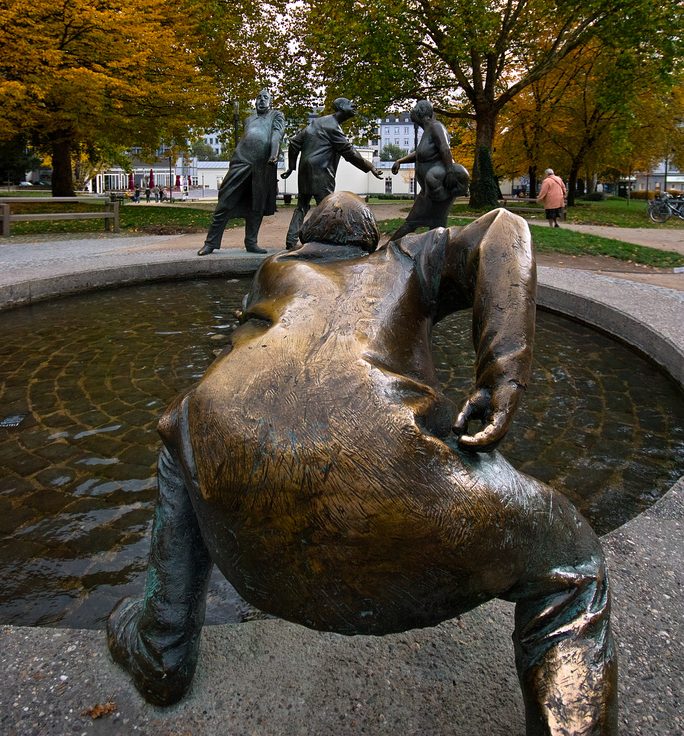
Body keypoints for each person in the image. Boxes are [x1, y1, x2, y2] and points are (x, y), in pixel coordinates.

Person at [108, 193, 617, 733]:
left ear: (305, 239)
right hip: (395, 485)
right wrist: (502, 373)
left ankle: (161, 641)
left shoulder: (276, 270)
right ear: (372, 240)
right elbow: (504, 232)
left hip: (244, 529)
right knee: (573, 562)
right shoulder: (403, 258)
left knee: (187, 426)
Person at [281, 97, 384, 249]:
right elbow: (349, 152)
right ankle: (325, 241)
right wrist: (370, 166)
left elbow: (294, 142)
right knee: (328, 208)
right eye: (350, 103)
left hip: (305, 170)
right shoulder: (332, 127)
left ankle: (291, 240)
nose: (354, 104)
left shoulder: (318, 123)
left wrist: (291, 167)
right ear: (341, 107)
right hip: (320, 172)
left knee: (302, 206)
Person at [198, 89, 285, 255]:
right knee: (225, 199)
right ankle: (210, 243)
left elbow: (276, 134)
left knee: (256, 206)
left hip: (262, 165)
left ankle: (251, 243)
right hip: (241, 161)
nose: (261, 100)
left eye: (265, 98)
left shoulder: (276, 115)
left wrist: (274, 154)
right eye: (258, 97)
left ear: (270, 102)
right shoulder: (248, 120)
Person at [389, 100, 469, 242]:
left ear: (421, 112)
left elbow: (445, 148)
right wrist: (400, 161)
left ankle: (386, 250)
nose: (411, 111)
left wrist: (450, 172)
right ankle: (436, 257)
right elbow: (420, 154)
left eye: (414, 109)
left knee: (412, 223)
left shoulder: (436, 127)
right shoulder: (428, 130)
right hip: (429, 190)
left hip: (437, 187)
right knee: (435, 227)